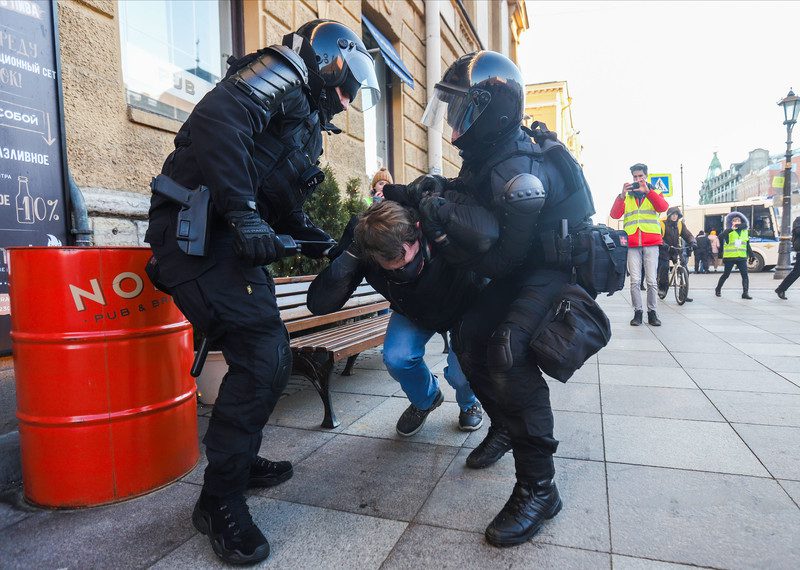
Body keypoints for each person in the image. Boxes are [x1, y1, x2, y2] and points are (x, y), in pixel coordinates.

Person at [144, 20, 380, 565]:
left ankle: (238, 460)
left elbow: (280, 200)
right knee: (263, 354)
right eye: (346, 89)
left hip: (227, 242)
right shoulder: (280, 72)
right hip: (195, 237)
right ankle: (219, 500)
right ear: (327, 63)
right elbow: (218, 122)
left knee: (266, 359)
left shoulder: (304, 125)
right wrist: (246, 216)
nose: (345, 104)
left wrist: (319, 240)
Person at [416, 51, 596, 547]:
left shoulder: (519, 172)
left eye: (460, 109)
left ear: (489, 111)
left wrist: (443, 226)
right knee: (470, 337)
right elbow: (472, 196)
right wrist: (431, 191)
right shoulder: (491, 153)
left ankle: (540, 489)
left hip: (550, 269)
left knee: (508, 352)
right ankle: (502, 424)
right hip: (520, 265)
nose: (453, 122)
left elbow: (495, 262)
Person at [307, 201, 489, 438]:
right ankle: (426, 399)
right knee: (397, 358)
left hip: (462, 306)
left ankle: (469, 402)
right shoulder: (365, 244)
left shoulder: (432, 220)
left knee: (462, 372)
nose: (408, 260)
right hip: (413, 309)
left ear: (415, 228)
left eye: (412, 252)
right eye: (398, 264)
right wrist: (350, 255)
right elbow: (320, 303)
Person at [610, 164, 669, 326]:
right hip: (632, 242)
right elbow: (614, 215)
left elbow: (663, 207)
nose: (638, 179)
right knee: (635, 281)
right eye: (635, 177)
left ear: (646, 176)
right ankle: (638, 312)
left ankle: (652, 313)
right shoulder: (627, 196)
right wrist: (621, 196)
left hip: (651, 242)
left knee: (651, 281)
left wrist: (648, 192)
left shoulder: (654, 192)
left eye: (640, 176)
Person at [658, 206, 697, 302]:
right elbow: (658, 237)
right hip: (664, 249)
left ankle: (683, 294)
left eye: (676, 215)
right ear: (669, 215)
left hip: (676, 249)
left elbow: (687, 234)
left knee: (685, 270)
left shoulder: (680, 224)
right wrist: (665, 245)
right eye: (673, 215)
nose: (675, 217)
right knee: (664, 268)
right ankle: (662, 288)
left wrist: (693, 242)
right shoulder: (661, 223)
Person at [715, 211, 755, 300]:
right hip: (730, 257)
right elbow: (720, 237)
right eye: (734, 221)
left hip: (741, 257)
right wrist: (731, 229)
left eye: (738, 221)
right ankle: (718, 289)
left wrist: (752, 255)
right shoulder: (728, 231)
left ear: (741, 222)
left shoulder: (745, 232)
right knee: (726, 274)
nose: (737, 223)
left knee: (745, 275)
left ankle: (745, 293)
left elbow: (747, 244)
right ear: (731, 223)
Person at [775, 215, 800, 299]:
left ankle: (781, 289)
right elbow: (797, 231)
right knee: (796, 272)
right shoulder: (798, 220)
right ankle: (781, 289)